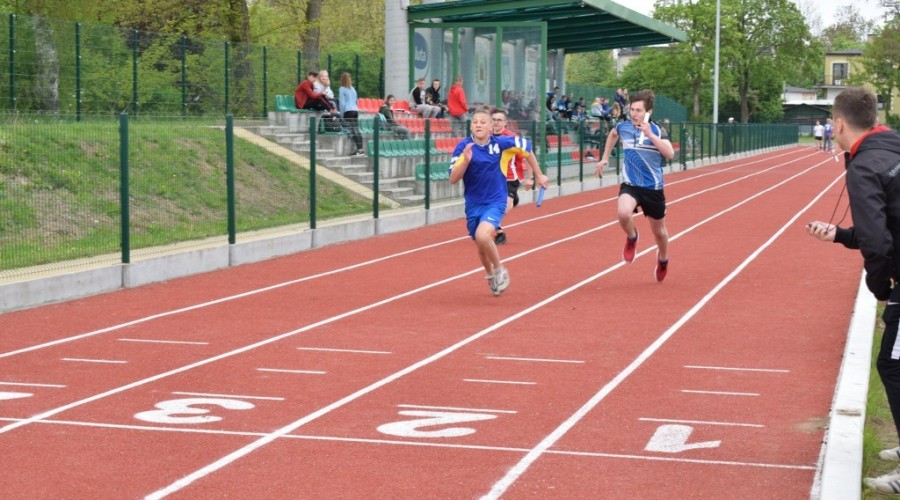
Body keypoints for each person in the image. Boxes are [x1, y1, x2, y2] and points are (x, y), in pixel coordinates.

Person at [805, 87, 900, 496]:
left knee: (892, 365)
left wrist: (882, 290)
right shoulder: (893, 143)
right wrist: (843, 235)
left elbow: (878, 244)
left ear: (838, 124)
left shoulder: (862, 168)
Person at [448, 108, 535, 296]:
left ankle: (499, 270)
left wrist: (537, 174)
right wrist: (465, 161)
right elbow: (453, 179)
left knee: (482, 235)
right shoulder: (464, 147)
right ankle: (490, 276)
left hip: (496, 200)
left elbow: (527, 148)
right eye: (475, 122)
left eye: (482, 122)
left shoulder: (501, 143)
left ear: (490, 127)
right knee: (480, 244)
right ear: (471, 126)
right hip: (473, 203)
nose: (478, 124)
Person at [594, 89, 675, 282]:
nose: (634, 114)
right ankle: (632, 237)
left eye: (638, 110)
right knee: (623, 213)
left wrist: (650, 135)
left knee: (660, 233)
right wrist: (604, 158)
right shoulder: (624, 127)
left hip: (653, 189)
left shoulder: (657, 130)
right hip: (631, 184)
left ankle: (663, 259)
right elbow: (613, 134)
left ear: (648, 112)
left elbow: (670, 153)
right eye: (632, 109)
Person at [490, 107, 549, 245]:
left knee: (502, 207)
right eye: (493, 120)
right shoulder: (486, 136)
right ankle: (499, 232)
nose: (496, 123)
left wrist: (531, 177)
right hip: (491, 177)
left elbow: (528, 154)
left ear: (505, 123)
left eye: (499, 120)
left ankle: (508, 202)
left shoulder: (511, 138)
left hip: (510, 177)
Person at [337, 72, 365, 157]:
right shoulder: (353, 89)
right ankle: (361, 149)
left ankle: (359, 150)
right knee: (356, 129)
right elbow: (356, 101)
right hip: (355, 110)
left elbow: (342, 104)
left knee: (354, 129)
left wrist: (341, 115)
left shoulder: (342, 89)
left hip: (348, 111)